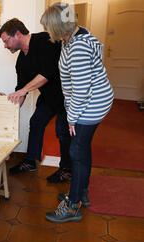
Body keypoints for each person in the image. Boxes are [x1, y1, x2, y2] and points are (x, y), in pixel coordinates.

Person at [41, 3, 114, 223]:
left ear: (58, 26)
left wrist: (72, 117)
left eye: (48, 27)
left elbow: (82, 89)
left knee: (76, 152)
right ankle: (81, 192)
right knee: (81, 150)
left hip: (92, 103)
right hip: (91, 100)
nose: (47, 31)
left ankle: (73, 206)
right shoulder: (73, 36)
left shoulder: (79, 46)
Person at [0, 18, 72, 183]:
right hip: (49, 97)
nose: (5, 46)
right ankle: (30, 161)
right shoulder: (21, 61)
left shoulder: (45, 40)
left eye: (6, 41)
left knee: (62, 131)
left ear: (17, 34)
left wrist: (24, 90)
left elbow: (46, 74)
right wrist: (10, 111)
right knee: (36, 121)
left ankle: (67, 170)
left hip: (67, 96)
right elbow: (20, 90)